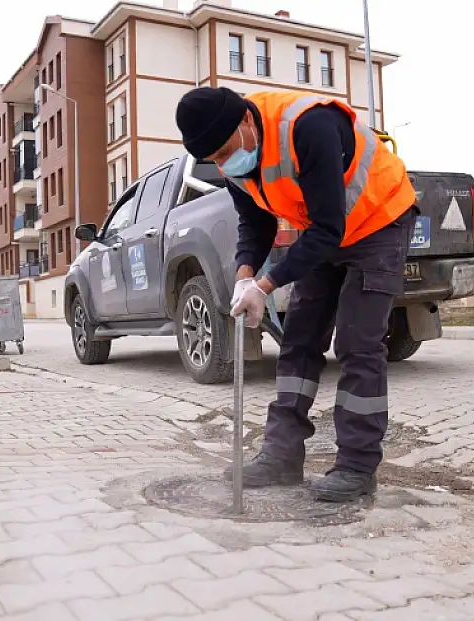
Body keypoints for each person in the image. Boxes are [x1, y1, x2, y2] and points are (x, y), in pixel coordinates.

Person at [175, 87, 417, 502]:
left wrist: (267, 286)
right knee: (299, 340)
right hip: (326, 233)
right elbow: (255, 224)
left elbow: (327, 229)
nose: (223, 163)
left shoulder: (308, 125)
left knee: (358, 344)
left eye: (225, 151)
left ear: (246, 122)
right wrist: (245, 276)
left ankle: (357, 467)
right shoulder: (235, 162)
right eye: (213, 159)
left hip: (379, 221)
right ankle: (281, 456)